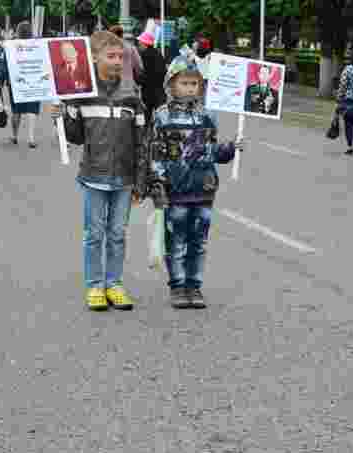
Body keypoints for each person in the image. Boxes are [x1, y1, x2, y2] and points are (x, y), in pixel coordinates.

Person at [55, 29, 147, 312]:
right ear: (94, 58)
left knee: (118, 233)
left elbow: (143, 139)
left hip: (125, 177)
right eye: (111, 56)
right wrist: (65, 113)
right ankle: (95, 285)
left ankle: (114, 284)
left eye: (121, 56)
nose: (118, 61)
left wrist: (142, 180)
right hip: (93, 176)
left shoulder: (132, 95)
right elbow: (76, 137)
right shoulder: (82, 94)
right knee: (94, 234)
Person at [147, 54, 243, 309]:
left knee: (198, 242)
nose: (190, 88)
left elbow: (212, 151)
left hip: (204, 190)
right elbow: (155, 152)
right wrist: (157, 182)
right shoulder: (162, 116)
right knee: (176, 241)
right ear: (171, 85)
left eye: (195, 84)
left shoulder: (207, 116)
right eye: (184, 83)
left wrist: (231, 149)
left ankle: (194, 285)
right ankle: (178, 286)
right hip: (175, 191)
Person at [7, 21, 41, 147]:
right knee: (32, 109)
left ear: (18, 32)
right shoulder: (37, 45)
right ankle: (31, 138)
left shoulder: (11, 46)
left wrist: (2, 80)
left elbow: (6, 64)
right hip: (34, 80)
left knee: (16, 110)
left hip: (17, 81)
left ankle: (15, 136)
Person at [137, 29, 166, 125]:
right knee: (161, 117)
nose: (139, 45)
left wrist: (138, 81)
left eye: (140, 43)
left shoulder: (143, 55)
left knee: (146, 116)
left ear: (145, 44)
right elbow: (163, 72)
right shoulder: (159, 54)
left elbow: (142, 74)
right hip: (159, 91)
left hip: (148, 92)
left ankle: (146, 136)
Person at [109, 23, 143, 96]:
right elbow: (139, 66)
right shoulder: (131, 47)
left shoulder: (107, 49)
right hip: (128, 85)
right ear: (122, 34)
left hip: (112, 86)